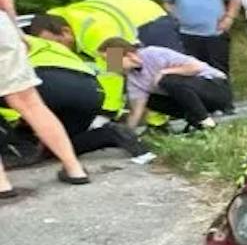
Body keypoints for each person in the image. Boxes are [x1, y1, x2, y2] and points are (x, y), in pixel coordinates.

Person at [0, 0, 90, 199]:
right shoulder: (90, 32)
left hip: (76, 87)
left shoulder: (96, 32)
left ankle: (2, 183)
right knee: (31, 104)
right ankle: (74, 168)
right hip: (85, 87)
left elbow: (118, 59)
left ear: (67, 32)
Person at [23, 15, 152, 161]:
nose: (56, 47)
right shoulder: (55, 25)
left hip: (150, 29)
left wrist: (107, 113)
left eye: (58, 42)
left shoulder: (100, 35)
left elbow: (114, 75)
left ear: (66, 31)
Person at [119, 44, 234, 133]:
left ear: (129, 55)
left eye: (109, 59)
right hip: (193, 99)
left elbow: (196, 67)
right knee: (149, 100)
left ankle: (205, 121)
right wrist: (127, 134)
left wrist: (165, 71)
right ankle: (197, 121)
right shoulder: (133, 79)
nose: (110, 64)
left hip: (215, 88)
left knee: (167, 80)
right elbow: (137, 111)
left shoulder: (152, 53)